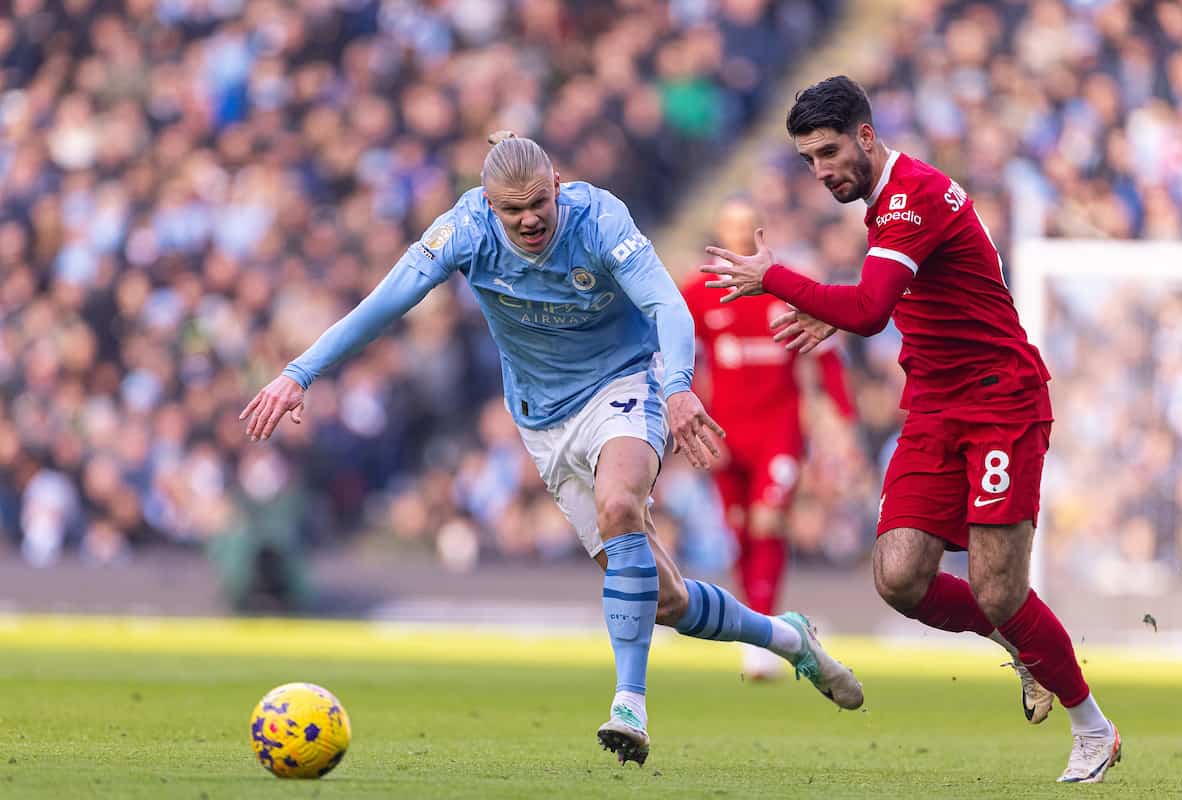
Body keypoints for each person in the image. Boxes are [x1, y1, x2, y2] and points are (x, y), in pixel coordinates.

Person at [241, 131, 863, 767]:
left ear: (558, 187)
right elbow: (384, 304)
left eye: (539, 202)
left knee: (621, 504)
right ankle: (791, 641)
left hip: (623, 386)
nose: (529, 218)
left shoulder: (600, 220)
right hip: (542, 422)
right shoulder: (463, 229)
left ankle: (630, 703)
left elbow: (668, 306)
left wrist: (676, 389)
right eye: (512, 210)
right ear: (489, 205)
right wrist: (300, 373)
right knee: (667, 601)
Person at [702, 77, 1119, 784]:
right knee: (899, 578)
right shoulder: (889, 205)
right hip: (933, 407)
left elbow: (869, 309)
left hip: (999, 403)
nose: (822, 170)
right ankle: (1024, 647)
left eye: (830, 152)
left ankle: (1093, 727)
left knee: (997, 588)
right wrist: (832, 307)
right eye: (808, 160)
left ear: (866, 135)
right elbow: (900, 296)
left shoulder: (913, 195)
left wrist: (776, 278)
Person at [681, 197, 857, 680]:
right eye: (731, 227)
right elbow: (674, 352)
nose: (739, 236)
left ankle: (762, 635)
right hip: (724, 431)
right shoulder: (698, 293)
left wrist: (841, 416)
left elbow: (824, 353)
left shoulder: (788, 288)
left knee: (768, 521)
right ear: (719, 231)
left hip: (779, 427)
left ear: (761, 231)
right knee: (738, 530)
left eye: (747, 227)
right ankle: (756, 627)